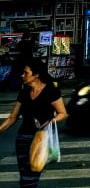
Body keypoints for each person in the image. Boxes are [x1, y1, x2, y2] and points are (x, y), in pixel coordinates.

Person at [0, 58, 68, 188]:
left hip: (40, 139)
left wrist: (50, 122)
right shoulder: (24, 92)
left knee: (31, 176)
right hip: (22, 139)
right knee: (24, 176)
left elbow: (62, 113)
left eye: (26, 73)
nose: (22, 75)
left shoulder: (50, 91)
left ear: (36, 74)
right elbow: (12, 118)